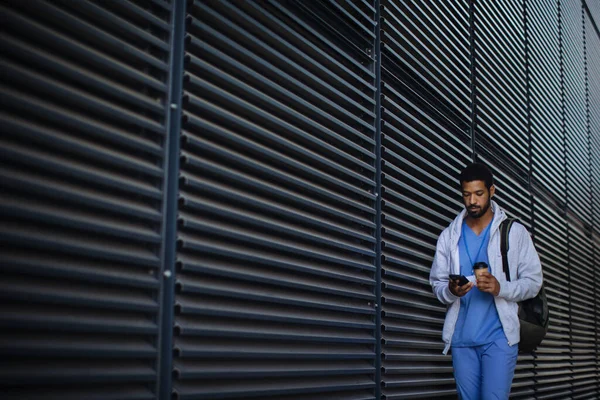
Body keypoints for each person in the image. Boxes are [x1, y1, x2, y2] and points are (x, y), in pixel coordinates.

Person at [429, 162, 543, 399]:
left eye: (479, 194)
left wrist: (501, 287)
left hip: (499, 338)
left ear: (492, 191)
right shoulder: (449, 236)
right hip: (462, 339)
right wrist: (452, 291)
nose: (472, 201)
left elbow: (533, 282)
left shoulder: (514, 232)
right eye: (467, 194)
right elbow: (437, 285)